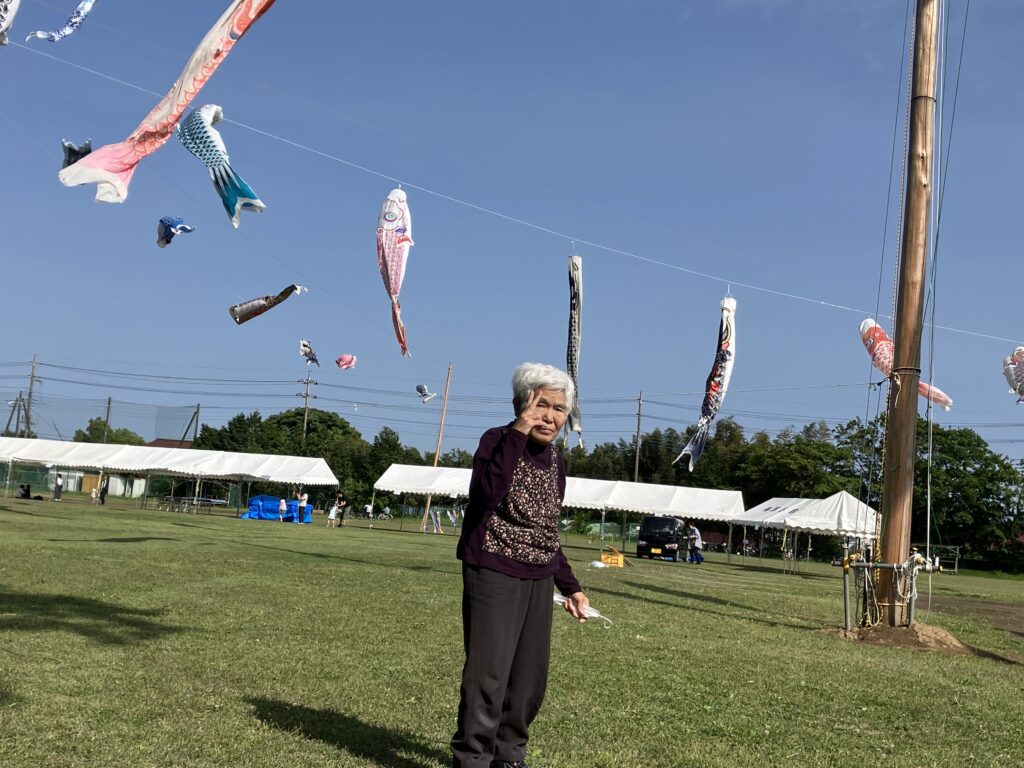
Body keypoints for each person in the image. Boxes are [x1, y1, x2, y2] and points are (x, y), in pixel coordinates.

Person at [451, 362, 590, 768]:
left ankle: (509, 756)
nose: (549, 417)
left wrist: (571, 587)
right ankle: (472, 758)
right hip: (493, 567)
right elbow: (485, 494)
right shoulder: (497, 440)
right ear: (519, 404)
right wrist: (517, 433)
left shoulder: (556, 461)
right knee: (488, 673)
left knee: (529, 678)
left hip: (539, 576)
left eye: (559, 409)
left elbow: (546, 530)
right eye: (541, 405)